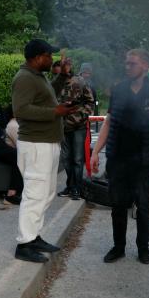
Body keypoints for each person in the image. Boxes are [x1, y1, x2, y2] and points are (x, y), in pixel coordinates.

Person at [90, 48, 149, 265]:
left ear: (144, 66)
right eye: (126, 63)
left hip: (144, 160)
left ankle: (143, 249)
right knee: (117, 206)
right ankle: (118, 248)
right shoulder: (118, 90)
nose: (127, 67)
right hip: (117, 158)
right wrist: (96, 152)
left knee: (143, 207)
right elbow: (109, 122)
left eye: (132, 63)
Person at [11, 39, 78, 263]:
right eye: (49, 56)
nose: (53, 60)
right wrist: (56, 112)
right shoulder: (24, 79)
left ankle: (34, 236)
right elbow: (21, 110)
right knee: (34, 194)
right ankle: (24, 243)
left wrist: (62, 77)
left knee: (46, 193)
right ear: (38, 57)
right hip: (36, 144)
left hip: (47, 143)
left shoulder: (37, 77)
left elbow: (47, 98)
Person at [54, 58, 95, 200]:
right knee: (66, 159)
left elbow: (90, 102)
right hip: (62, 127)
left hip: (78, 126)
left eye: (65, 66)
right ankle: (70, 186)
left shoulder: (80, 81)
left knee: (77, 159)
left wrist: (81, 116)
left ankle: (77, 188)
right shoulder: (56, 84)